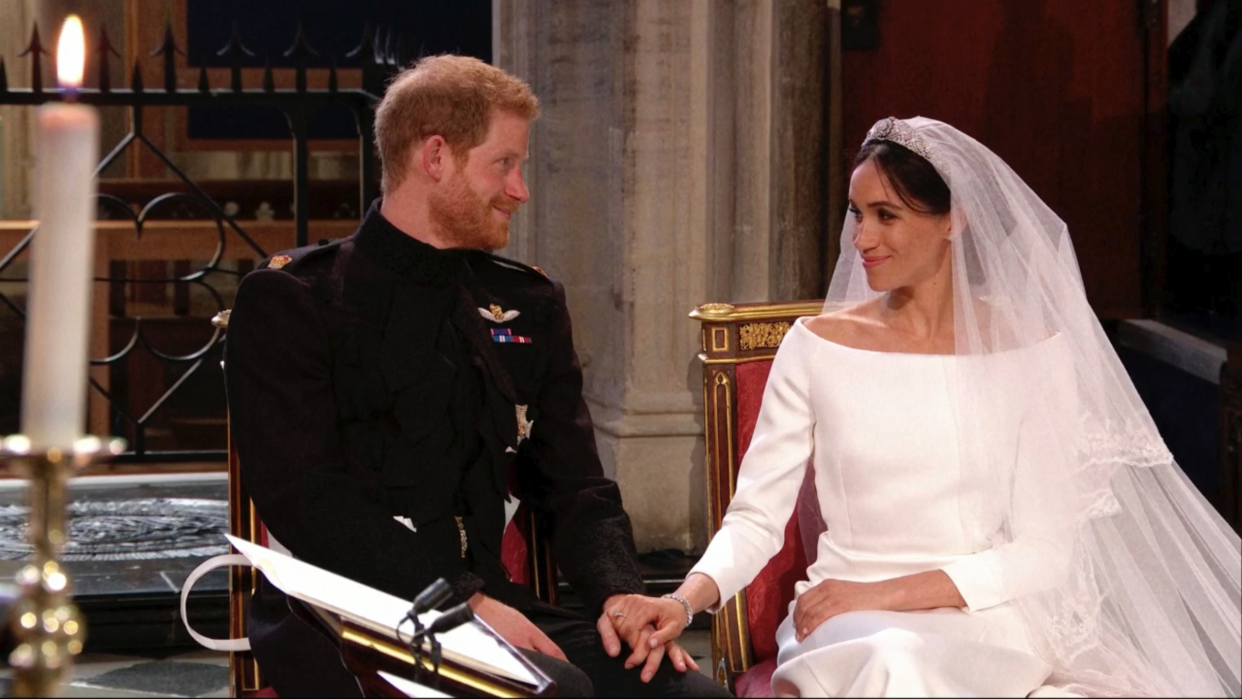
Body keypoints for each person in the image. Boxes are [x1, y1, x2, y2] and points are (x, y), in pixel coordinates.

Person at [605, 117, 1242, 697]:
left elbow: (1046, 550)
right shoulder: (816, 347)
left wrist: (886, 593)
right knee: (893, 659)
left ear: (953, 219)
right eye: (856, 214)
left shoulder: (1035, 354)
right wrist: (685, 603)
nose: (861, 238)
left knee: (911, 658)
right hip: (844, 623)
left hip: (987, 621)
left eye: (886, 215)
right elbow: (755, 519)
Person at [225, 55, 730, 698]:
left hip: (493, 607)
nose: (520, 189)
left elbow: (576, 485)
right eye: (504, 164)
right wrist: (465, 601)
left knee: (691, 695)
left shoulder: (528, 304)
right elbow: (312, 505)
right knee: (555, 693)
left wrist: (620, 591)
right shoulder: (295, 300)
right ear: (435, 157)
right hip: (348, 616)